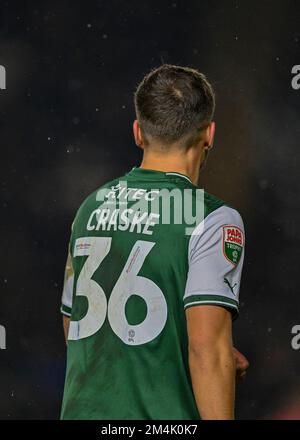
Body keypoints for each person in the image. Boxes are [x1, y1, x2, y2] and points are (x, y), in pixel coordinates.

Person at [60, 64, 249, 420]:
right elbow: (207, 352)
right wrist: (211, 357)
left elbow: (76, 325)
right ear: (209, 134)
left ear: (137, 132)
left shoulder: (91, 207)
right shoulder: (212, 220)